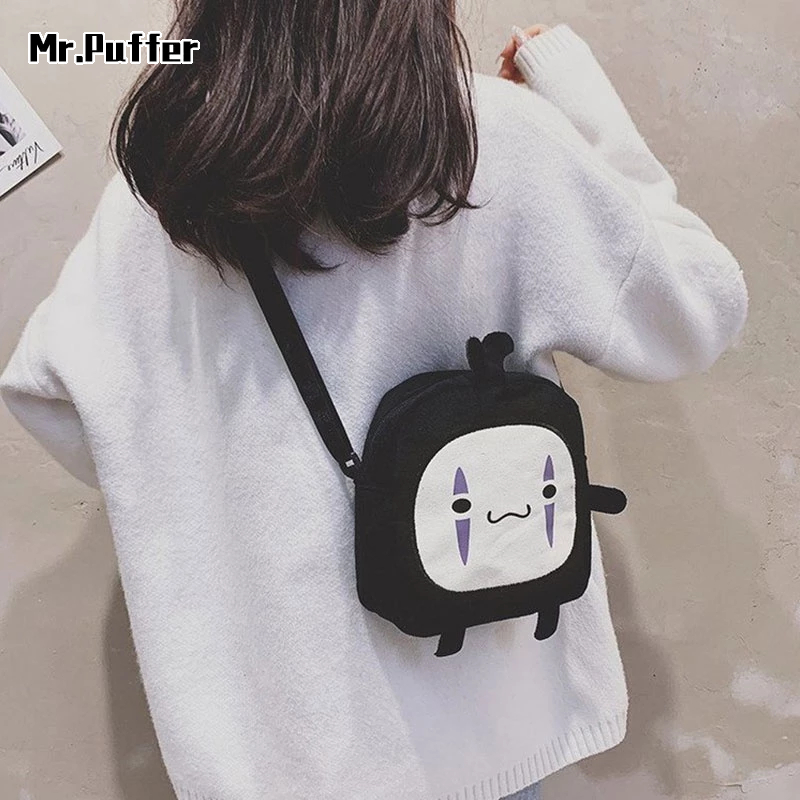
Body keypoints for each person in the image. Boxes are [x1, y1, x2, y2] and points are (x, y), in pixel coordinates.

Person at [0, 3, 748, 799]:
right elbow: (695, 311)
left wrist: (209, 466)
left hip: (271, 748)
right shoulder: (489, 138)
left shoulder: (157, 185)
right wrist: (579, 99)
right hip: (474, 725)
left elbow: (55, 401)